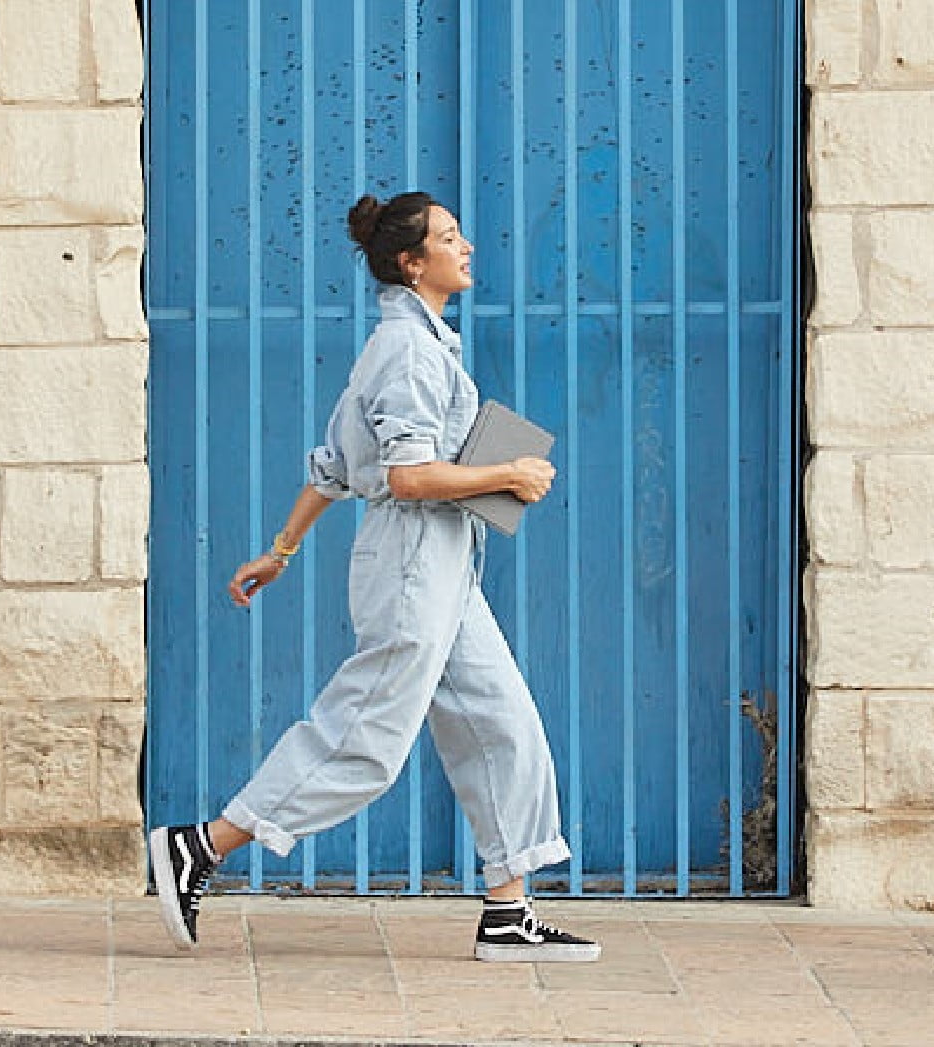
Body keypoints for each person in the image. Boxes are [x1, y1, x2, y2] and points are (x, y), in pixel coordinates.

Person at [148, 191, 599, 963]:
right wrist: (509, 473)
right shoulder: (407, 353)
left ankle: (508, 909)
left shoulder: (414, 343)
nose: (467, 247)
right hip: (412, 564)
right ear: (411, 263)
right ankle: (202, 844)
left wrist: (281, 549)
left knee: (504, 723)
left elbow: (333, 464)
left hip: (444, 566)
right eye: (449, 238)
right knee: (364, 739)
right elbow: (408, 476)